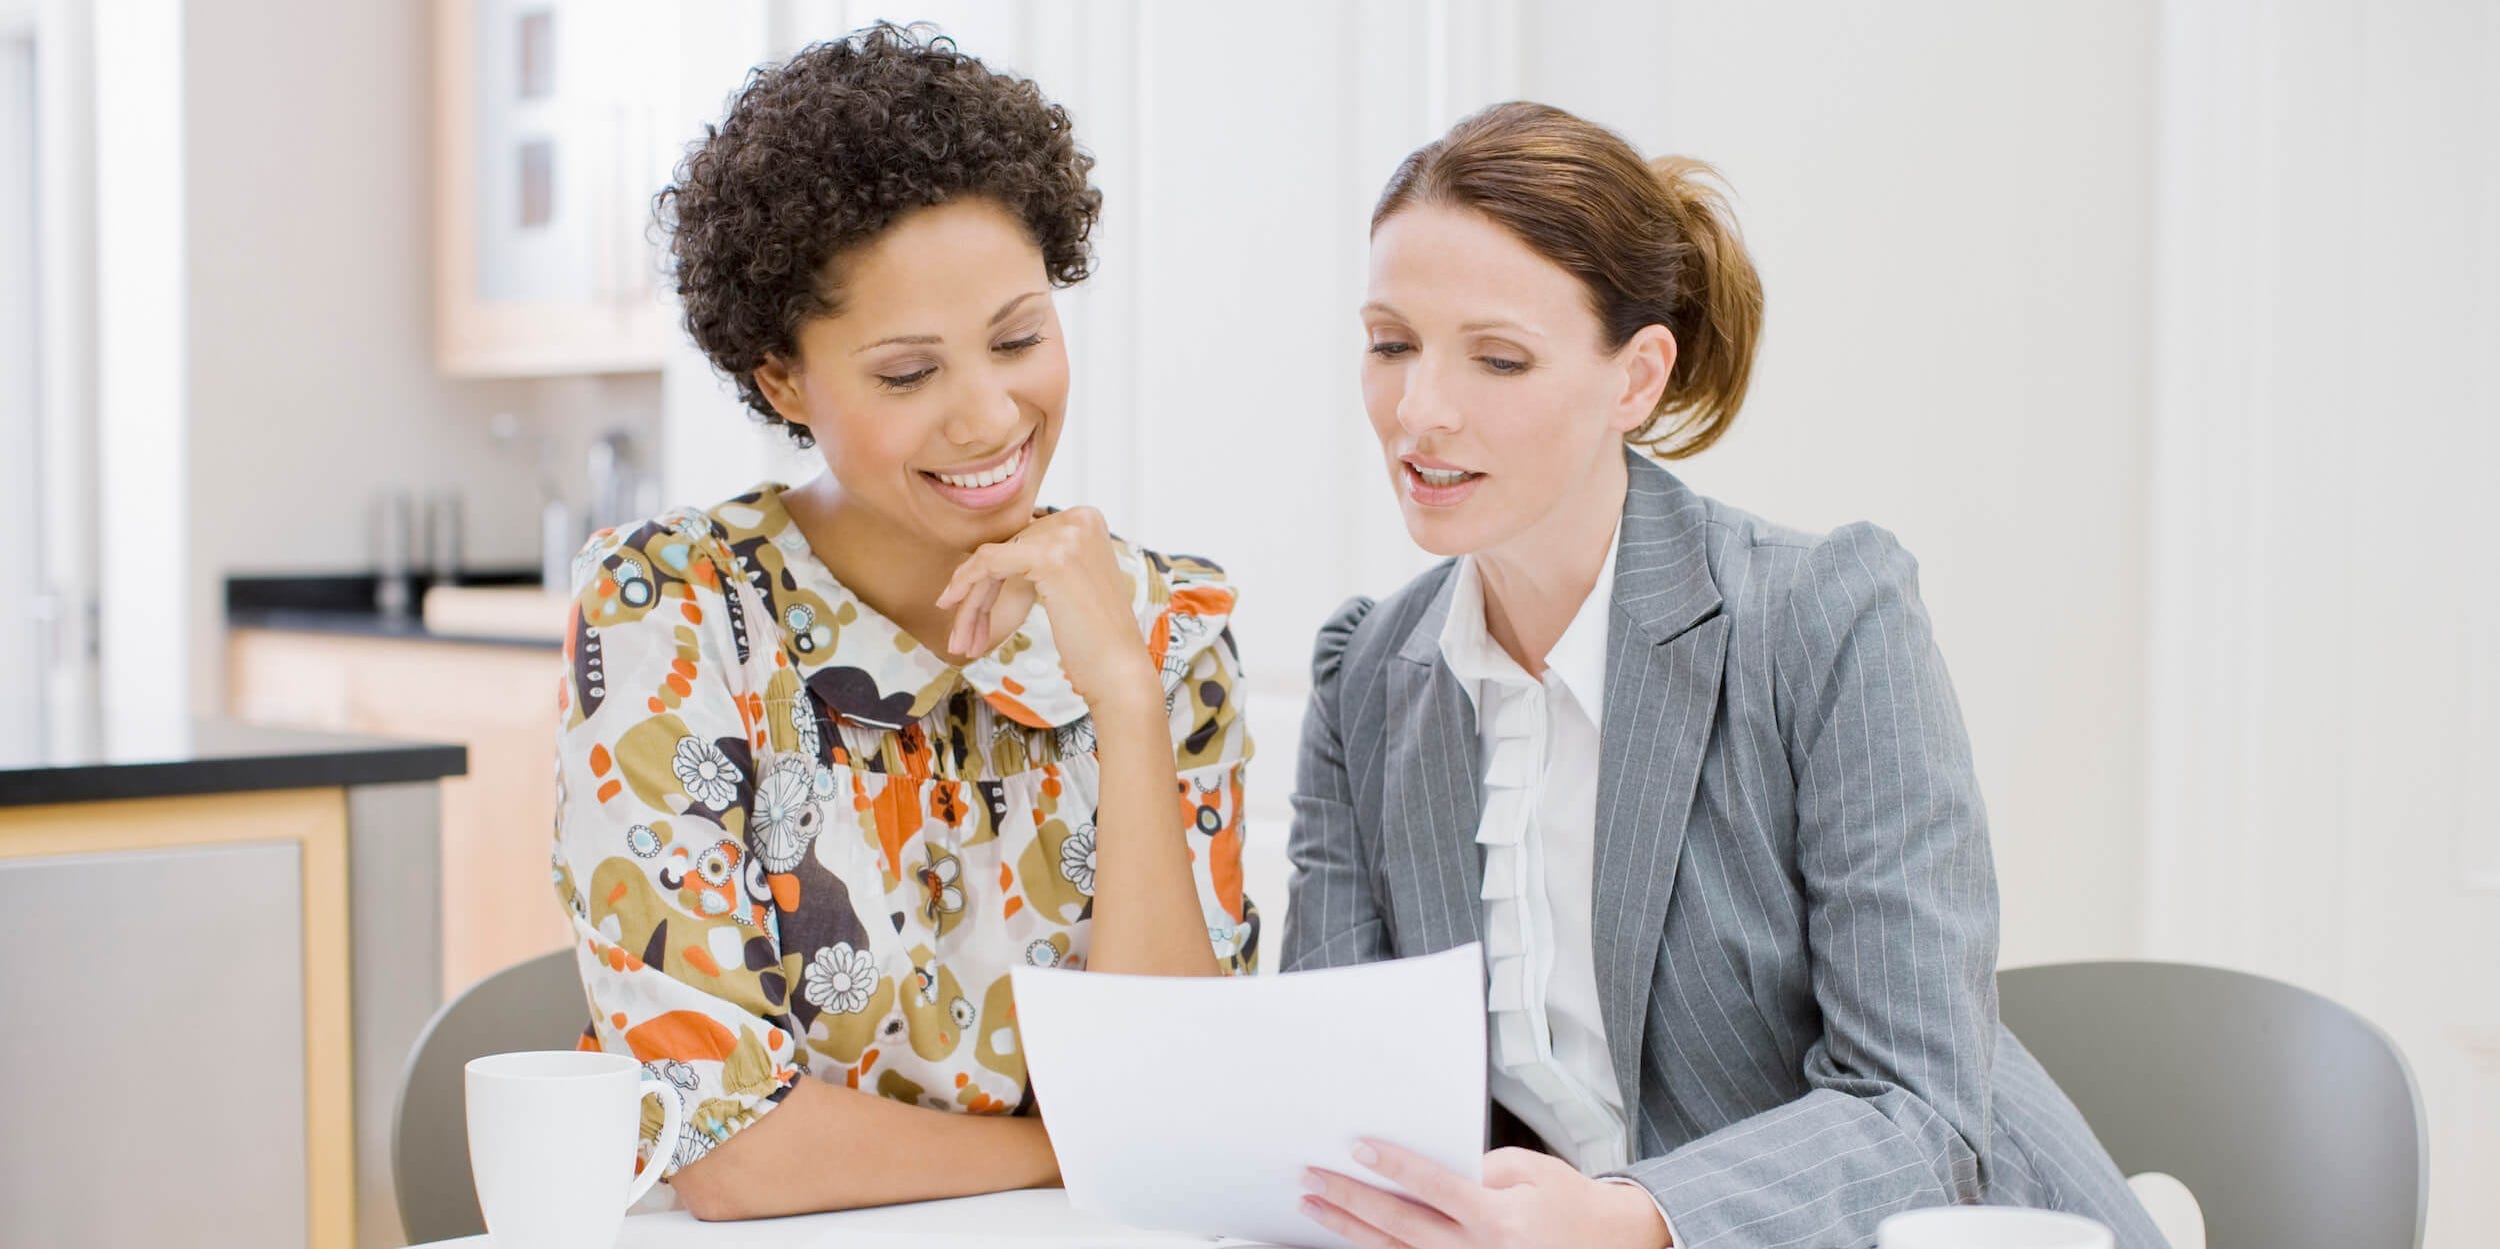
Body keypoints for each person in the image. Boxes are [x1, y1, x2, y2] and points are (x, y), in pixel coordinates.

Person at [1282, 101, 2166, 1249]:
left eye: (1497, 357)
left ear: (1637, 377)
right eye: (1391, 342)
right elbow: (1342, 1103)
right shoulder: (1368, 679)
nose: (1418, 410)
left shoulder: (1824, 623)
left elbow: (1920, 1111)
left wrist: (1624, 1219)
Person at [550, 23, 1257, 1220]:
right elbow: (727, 1151)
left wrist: (1126, 701)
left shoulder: (1168, 624)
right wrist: (1075, 1145)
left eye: (1020, 339)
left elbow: (1189, 1093)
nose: (989, 417)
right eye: (906, 374)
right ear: (783, 380)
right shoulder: (672, 612)